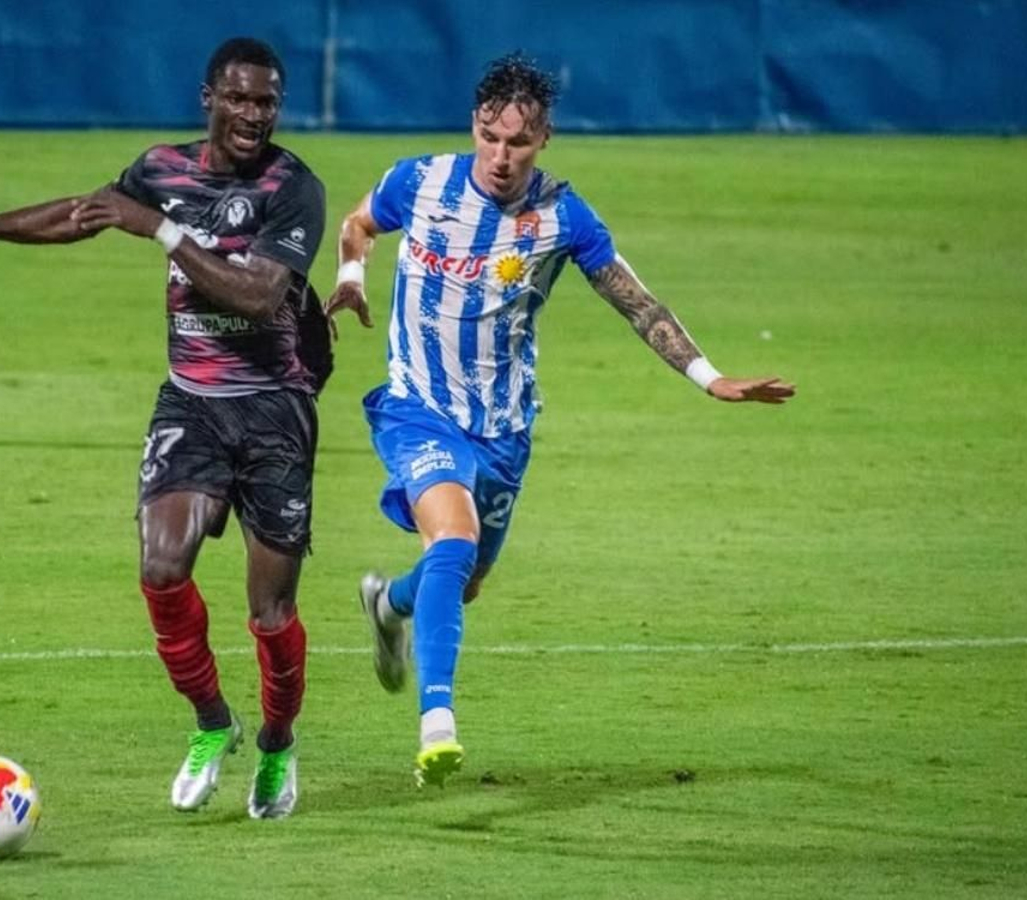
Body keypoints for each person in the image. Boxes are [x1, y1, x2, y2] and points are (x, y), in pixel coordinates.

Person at [0, 38, 328, 820]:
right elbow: (79, 215)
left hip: (274, 412)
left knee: (270, 613)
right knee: (161, 566)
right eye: (240, 98)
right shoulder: (161, 170)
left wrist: (162, 232)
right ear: (209, 99)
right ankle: (211, 723)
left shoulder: (294, 188)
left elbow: (258, 298)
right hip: (192, 403)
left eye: (267, 102)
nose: (255, 115)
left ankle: (278, 742)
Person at [325, 53, 795, 787]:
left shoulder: (563, 217)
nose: (501, 156)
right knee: (453, 540)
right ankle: (437, 722)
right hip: (417, 408)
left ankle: (389, 605)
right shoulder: (418, 182)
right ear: (474, 127)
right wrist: (351, 275)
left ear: (544, 139)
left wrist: (710, 378)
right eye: (490, 138)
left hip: (504, 429)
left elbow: (638, 304)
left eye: (518, 142)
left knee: (461, 579)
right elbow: (358, 223)